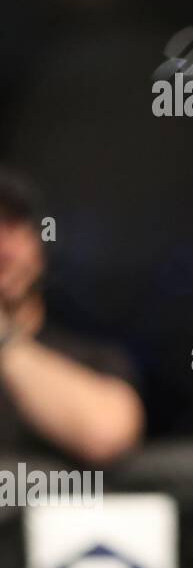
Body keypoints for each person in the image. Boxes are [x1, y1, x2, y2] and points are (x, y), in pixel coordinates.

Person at [0, 167, 144, 466]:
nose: (1, 245)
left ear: (39, 246)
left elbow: (107, 434)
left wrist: (5, 340)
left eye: (11, 224)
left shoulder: (93, 358)